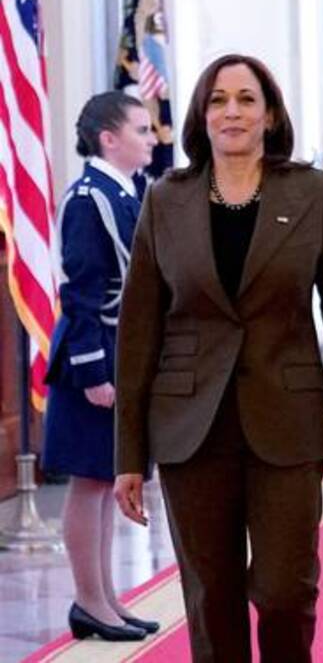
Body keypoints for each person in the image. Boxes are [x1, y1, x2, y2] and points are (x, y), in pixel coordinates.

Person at [112, 53, 323, 663]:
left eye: (246, 99)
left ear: (270, 114)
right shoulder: (164, 200)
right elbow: (138, 333)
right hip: (189, 428)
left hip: (289, 422)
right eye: (218, 100)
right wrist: (128, 454)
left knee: (285, 591)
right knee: (211, 598)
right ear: (201, 117)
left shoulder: (312, 193)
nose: (232, 111)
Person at [42, 92, 158, 642]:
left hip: (120, 347)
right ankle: (89, 600)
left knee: (109, 478)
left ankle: (105, 596)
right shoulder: (90, 199)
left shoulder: (125, 190)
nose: (151, 138)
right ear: (108, 139)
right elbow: (82, 292)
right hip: (93, 355)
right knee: (90, 482)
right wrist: (94, 373)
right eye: (141, 129)